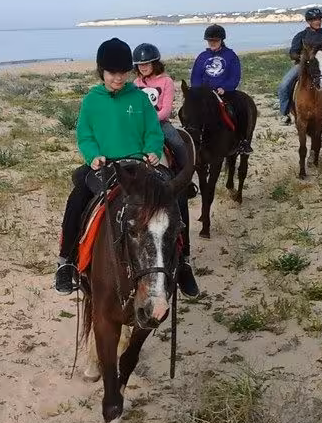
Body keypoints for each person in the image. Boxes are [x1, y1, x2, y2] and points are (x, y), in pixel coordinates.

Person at [55, 37, 199, 298]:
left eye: (123, 73)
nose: (118, 78)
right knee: (77, 198)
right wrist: (93, 155)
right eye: (112, 73)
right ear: (102, 72)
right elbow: (85, 135)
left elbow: (153, 131)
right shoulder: (91, 100)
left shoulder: (139, 98)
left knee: (174, 199)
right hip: (107, 165)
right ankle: (66, 261)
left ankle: (184, 260)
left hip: (140, 163)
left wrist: (154, 151)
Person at [190, 25, 251, 154]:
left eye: (215, 40)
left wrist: (225, 88)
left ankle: (242, 140)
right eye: (210, 40)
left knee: (241, 106)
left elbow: (235, 76)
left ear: (221, 40)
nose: (212, 43)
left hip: (224, 92)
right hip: (205, 93)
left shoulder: (230, 55)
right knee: (190, 111)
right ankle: (193, 138)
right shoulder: (202, 57)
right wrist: (198, 90)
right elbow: (195, 76)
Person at [277, 8, 322, 125]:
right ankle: (284, 113)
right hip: (303, 67)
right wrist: (302, 57)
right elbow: (293, 53)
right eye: (315, 19)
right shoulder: (301, 36)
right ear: (309, 21)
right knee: (283, 85)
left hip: (321, 67)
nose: (318, 21)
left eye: (319, 19)